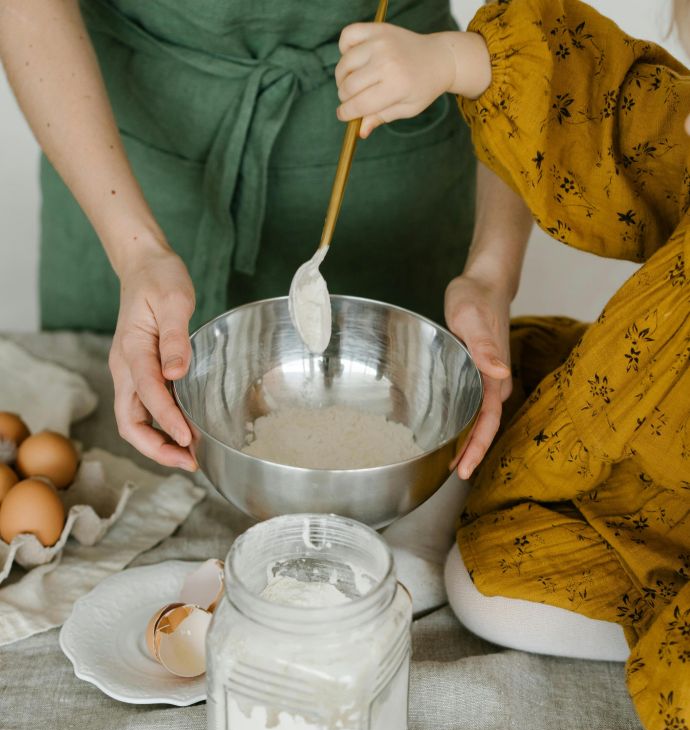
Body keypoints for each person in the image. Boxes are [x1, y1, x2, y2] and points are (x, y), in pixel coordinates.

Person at [334, 0, 690, 730]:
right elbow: (619, 112)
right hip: (617, 417)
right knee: (501, 368)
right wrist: (457, 63)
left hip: (672, 527)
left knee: (487, 593)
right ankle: (433, 524)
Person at [0, 0, 531, 476]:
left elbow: (544, 37)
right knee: (109, 451)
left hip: (390, 163)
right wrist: (137, 252)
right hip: (122, 160)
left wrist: (492, 272)